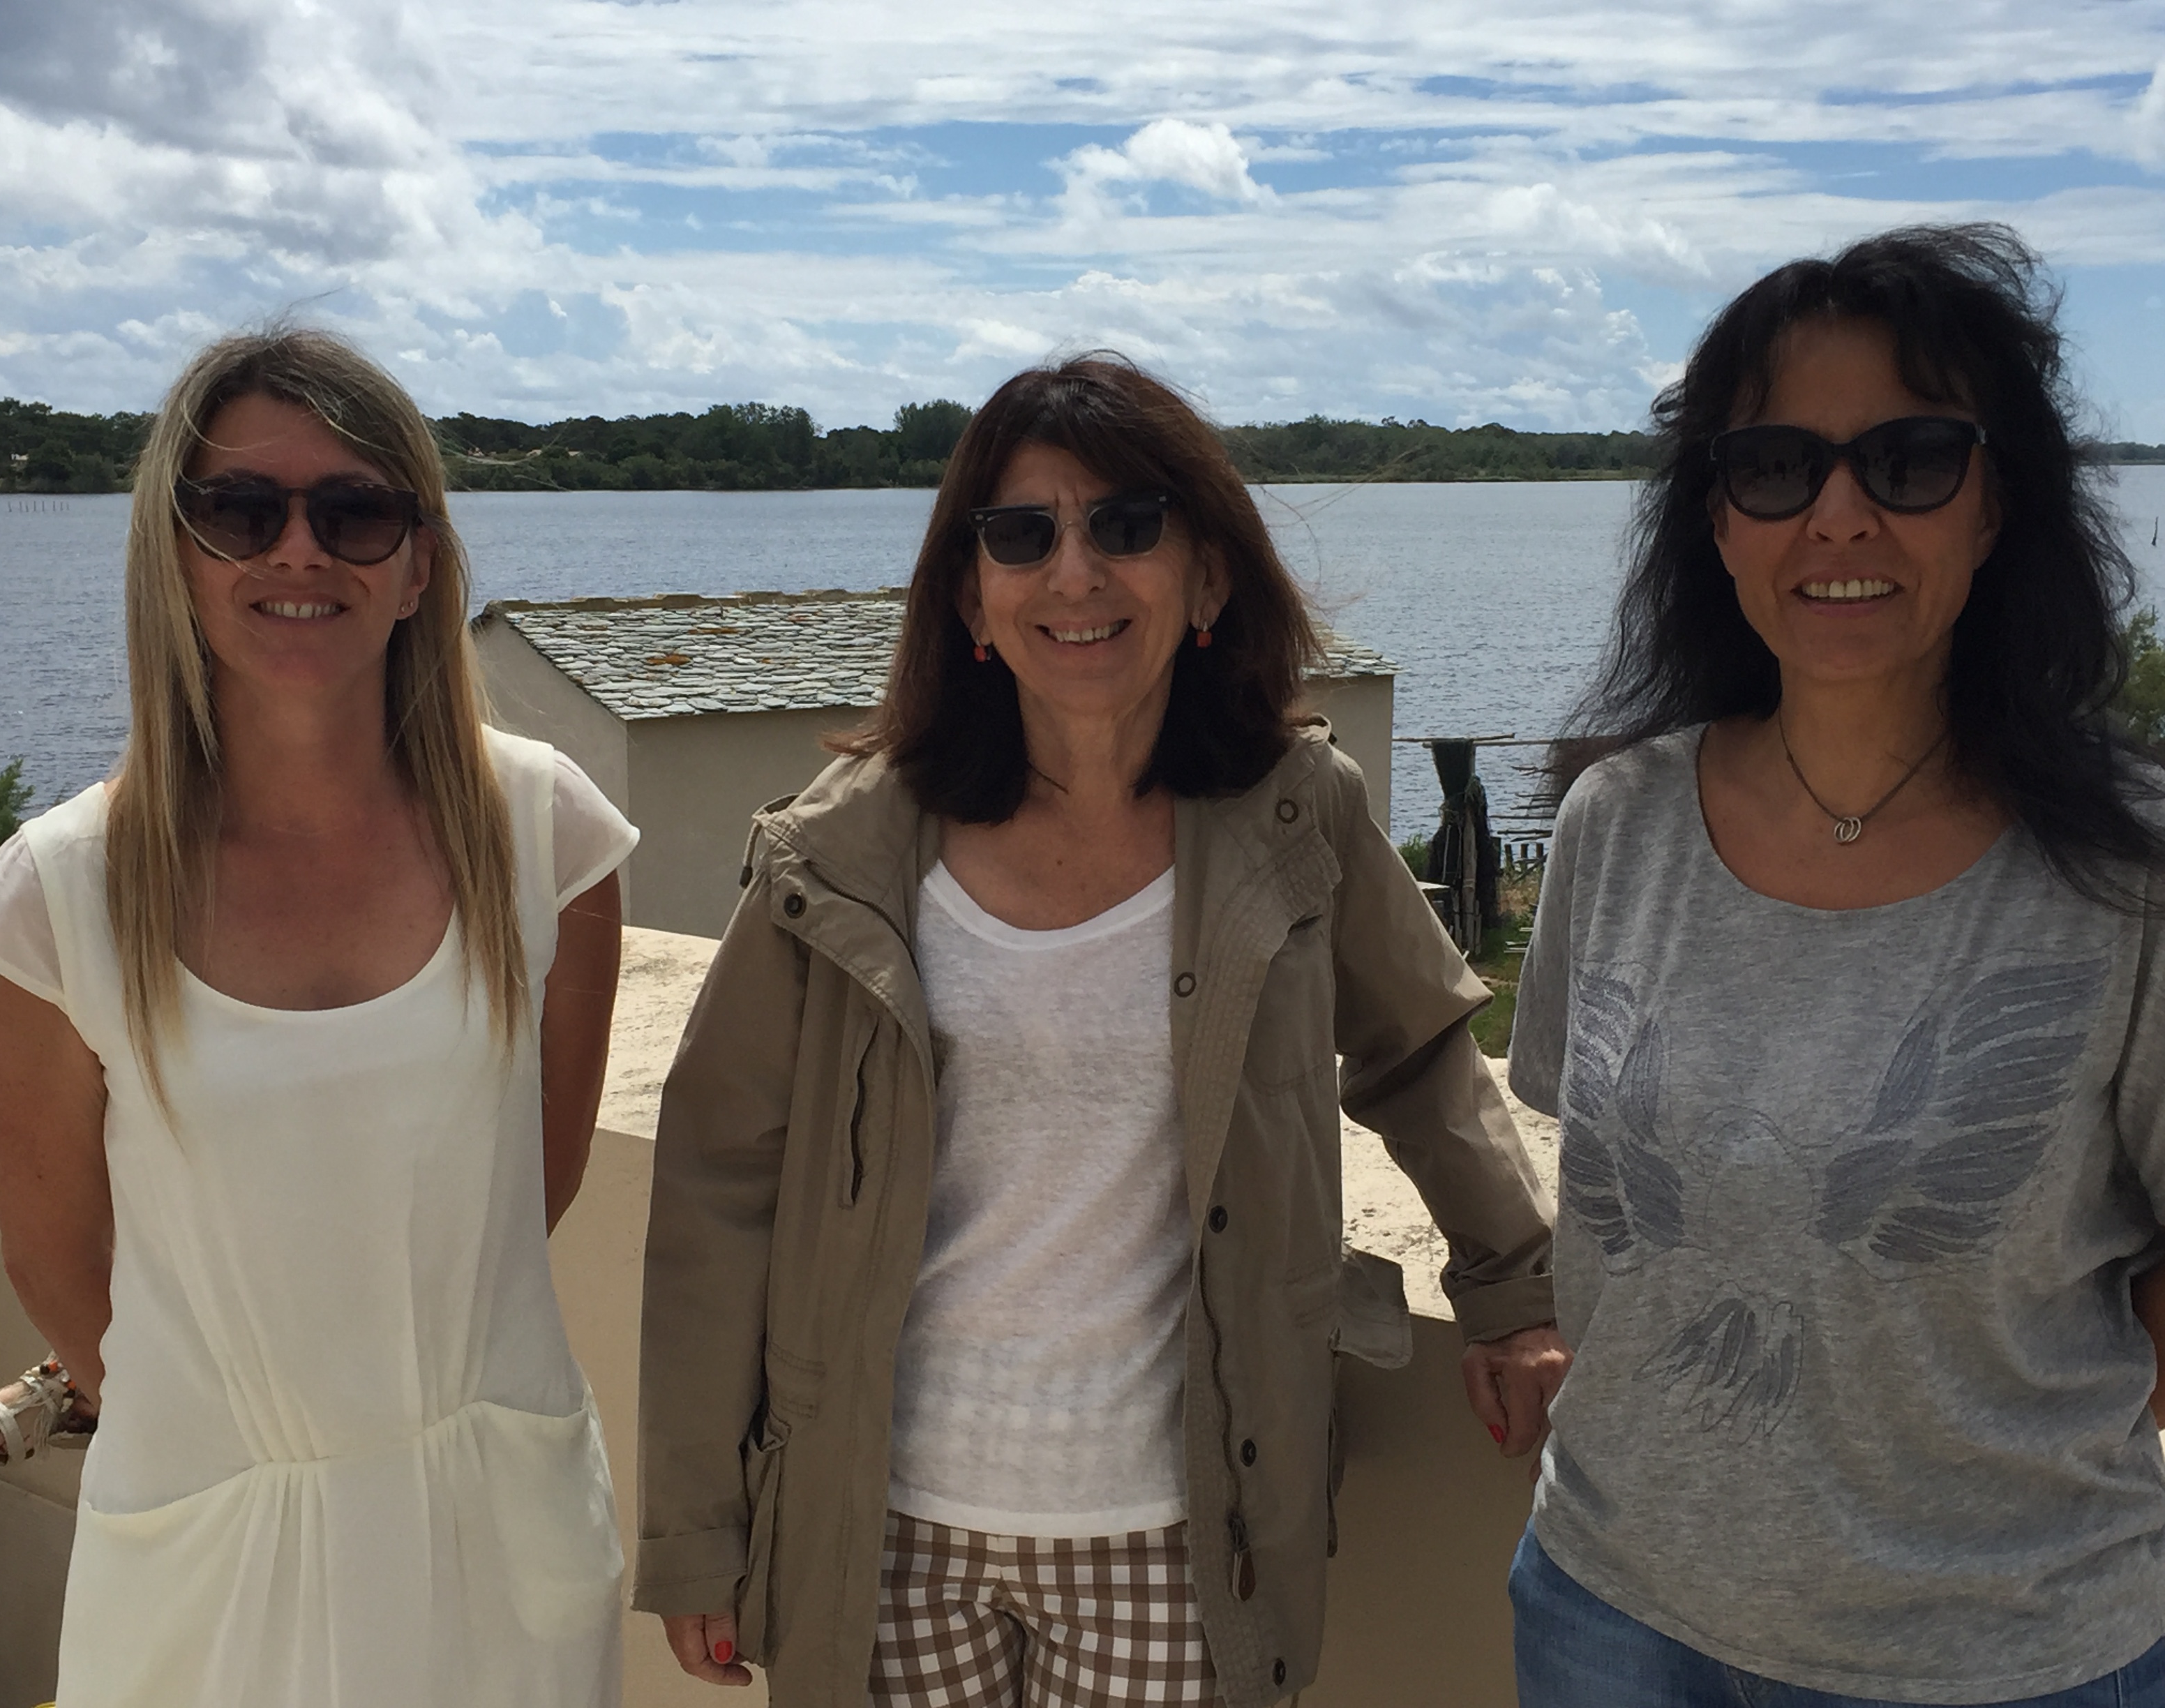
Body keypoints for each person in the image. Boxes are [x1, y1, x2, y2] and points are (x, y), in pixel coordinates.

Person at [632, 354, 1567, 1707]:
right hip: (881, 1532)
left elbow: (1419, 1052)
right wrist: (697, 1531)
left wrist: (1512, 1289)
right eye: (1022, 536)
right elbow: (720, 1185)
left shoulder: (1298, 817)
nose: (1075, 574)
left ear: (1207, 577)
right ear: (970, 592)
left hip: (1181, 1529)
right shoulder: (840, 853)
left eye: (1127, 526)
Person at [1508, 223, 2165, 1706]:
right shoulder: (1620, 825)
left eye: (1912, 460)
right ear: (1720, 519)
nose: (1841, 516)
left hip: (2000, 1654)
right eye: (1778, 467)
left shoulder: (2126, 875)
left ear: (1997, 503)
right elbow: (1609, 1210)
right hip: (1608, 1611)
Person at [0, 327, 635, 1705]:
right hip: (212, 1553)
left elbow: (530, 1184)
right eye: (241, 511)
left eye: (357, 510)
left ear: (418, 564)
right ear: (177, 553)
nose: (299, 552)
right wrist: (247, 1425)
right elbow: (55, 1265)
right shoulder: (61, 898)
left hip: (498, 1527)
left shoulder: (544, 835)